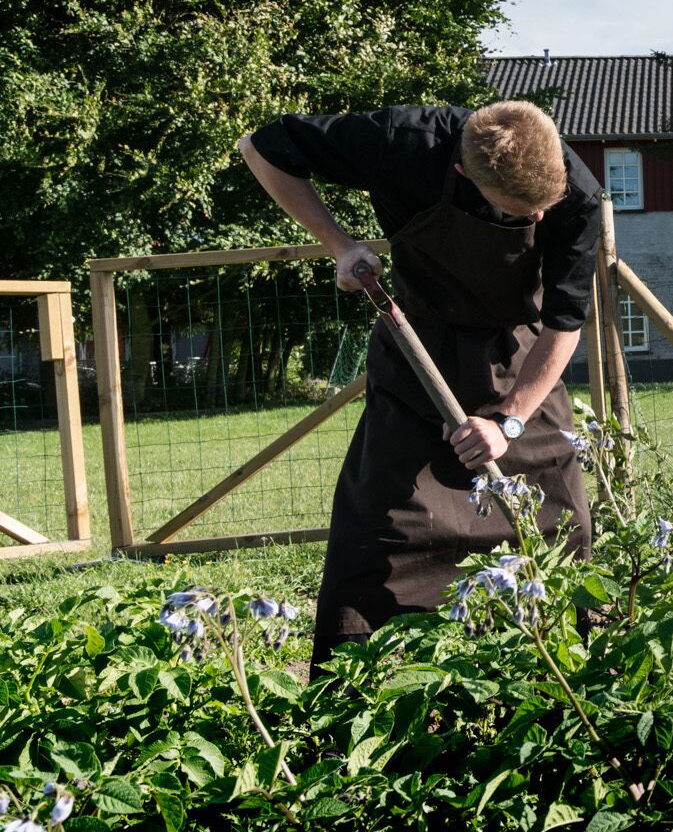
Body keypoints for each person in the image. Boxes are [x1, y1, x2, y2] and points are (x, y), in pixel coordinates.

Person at [238, 100, 603, 662]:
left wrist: (509, 420)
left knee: (560, 523)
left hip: (520, 360)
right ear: (463, 173)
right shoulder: (401, 142)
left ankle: (566, 672)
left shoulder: (576, 195)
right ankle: (352, 687)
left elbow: (564, 323)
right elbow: (260, 149)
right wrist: (339, 244)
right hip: (415, 352)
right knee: (379, 525)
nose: (534, 222)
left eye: (541, 212)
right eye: (517, 212)